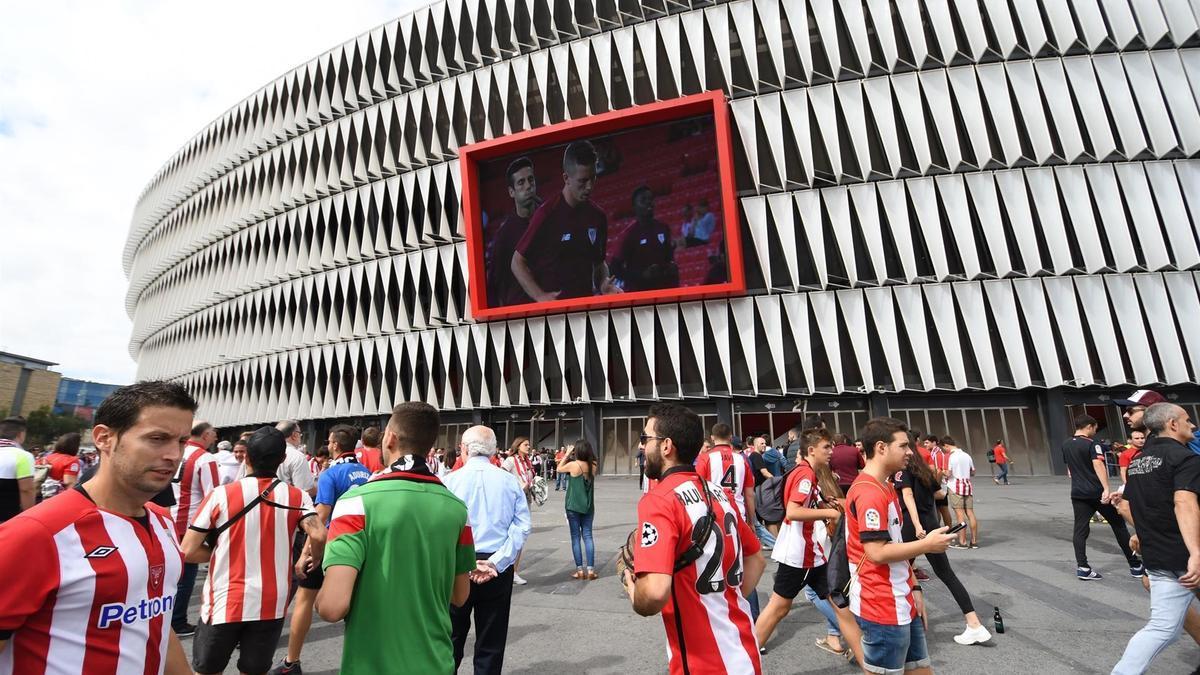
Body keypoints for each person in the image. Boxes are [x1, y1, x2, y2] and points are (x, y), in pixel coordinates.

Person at [0, 381, 196, 674]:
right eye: (157, 438)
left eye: (181, 441)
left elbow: (156, 623)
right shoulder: (37, 533)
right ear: (104, 438)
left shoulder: (163, 522)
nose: (173, 454)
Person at [315, 402, 474, 674]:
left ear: (389, 438)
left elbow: (332, 607)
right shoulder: (457, 509)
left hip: (372, 664)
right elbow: (460, 595)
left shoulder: (355, 503)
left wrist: (316, 598)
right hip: (436, 661)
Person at [623, 402, 765, 674]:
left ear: (666, 446)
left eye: (645, 438)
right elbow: (756, 559)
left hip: (704, 664)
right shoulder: (718, 492)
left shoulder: (659, 500)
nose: (641, 446)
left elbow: (653, 593)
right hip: (744, 651)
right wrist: (719, 600)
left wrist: (632, 590)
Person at [182, 427, 326, 675]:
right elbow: (319, 533)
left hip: (225, 600)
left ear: (246, 457)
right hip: (271, 600)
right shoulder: (297, 496)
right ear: (282, 460)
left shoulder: (220, 495)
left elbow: (187, 550)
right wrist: (311, 559)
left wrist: (220, 552)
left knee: (207, 670)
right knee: (254, 669)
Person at [846, 417, 956, 675]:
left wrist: (914, 586)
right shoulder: (869, 492)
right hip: (881, 605)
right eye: (904, 446)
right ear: (882, 448)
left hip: (900, 597)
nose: (910, 452)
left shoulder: (884, 486)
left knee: (920, 669)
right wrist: (926, 544)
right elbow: (876, 552)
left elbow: (892, 543)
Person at [271, 425, 368, 675]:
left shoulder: (329, 473)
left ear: (334, 445)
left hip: (330, 543)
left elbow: (322, 513)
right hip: (359, 543)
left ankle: (292, 661)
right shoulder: (366, 471)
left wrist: (305, 553)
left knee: (305, 598)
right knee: (355, 605)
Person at [1111, 403, 1200, 674]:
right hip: (1188, 554)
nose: (1193, 425)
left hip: (1158, 555)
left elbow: (1129, 505)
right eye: (1187, 420)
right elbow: (1183, 502)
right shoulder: (1185, 459)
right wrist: (1195, 551)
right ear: (1172, 424)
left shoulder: (1137, 461)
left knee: (1162, 628)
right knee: (1163, 628)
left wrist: (1141, 534)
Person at [444, 426, 532, 674]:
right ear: (494, 450)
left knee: (450, 638)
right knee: (491, 643)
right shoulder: (509, 481)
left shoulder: (448, 481)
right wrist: (498, 561)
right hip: (496, 564)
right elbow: (522, 526)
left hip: (458, 564)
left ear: (463, 448)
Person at [754, 429, 846, 659]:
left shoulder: (806, 472)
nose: (831, 451)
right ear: (811, 450)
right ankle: (744, 656)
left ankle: (864, 651)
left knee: (836, 600)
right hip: (800, 552)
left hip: (808, 552)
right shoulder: (805, 474)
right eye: (826, 447)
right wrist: (830, 513)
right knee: (779, 607)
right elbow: (794, 512)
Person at [895, 445, 991, 646]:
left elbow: (907, 496)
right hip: (932, 524)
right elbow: (940, 494)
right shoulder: (925, 471)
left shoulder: (903, 471)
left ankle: (900, 625)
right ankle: (974, 623)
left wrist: (916, 522)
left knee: (896, 571)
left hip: (913, 527)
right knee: (946, 574)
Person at [511, 140, 621, 302]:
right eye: (583, 181)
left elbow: (599, 264)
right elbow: (517, 262)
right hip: (555, 316)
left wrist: (603, 283)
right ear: (566, 178)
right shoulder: (547, 214)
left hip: (585, 309)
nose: (589, 187)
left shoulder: (598, 216)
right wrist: (540, 296)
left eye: (593, 178)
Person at [1062, 415, 1143, 580]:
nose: (1095, 431)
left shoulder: (1066, 444)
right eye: (1095, 428)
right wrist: (1106, 488)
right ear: (1090, 426)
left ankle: (1083, 567)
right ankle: (1135, 565)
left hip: (1077, 492)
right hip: (1096, 491)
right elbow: (1098, 464)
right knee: (1118, 525)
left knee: (1080, 528)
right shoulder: (1092, 444)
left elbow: (1069, 470)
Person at [171, 420, 221, 637]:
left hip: (168, 517)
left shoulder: (177, 451)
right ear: (205, 434)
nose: (215, 437)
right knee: (187, 574)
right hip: (192, 522)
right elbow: (214, 494)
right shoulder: (205, 458)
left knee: (172, 571)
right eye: (213, 434)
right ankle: (177, 621)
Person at [486, 157, 539, 307]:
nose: (528, 186)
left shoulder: (551, 217)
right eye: (521, 183)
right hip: (523, 314)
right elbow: (493, 287)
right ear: (511, 192)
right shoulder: (504, 236)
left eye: (531, 180)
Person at [612, 186, 678, 292]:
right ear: (634, 207)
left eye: (650, 199)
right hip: (639, 293)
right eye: (643, 200)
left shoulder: (663, 228)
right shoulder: (628, 234)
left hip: (662, 290)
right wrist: (641, 275)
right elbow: (615, 269)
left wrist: (670, 267)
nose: (649, 202)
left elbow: (669, 258)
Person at [558, 440, 598, 579]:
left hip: (573, 507)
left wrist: (567, 454)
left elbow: (559, 468)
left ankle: (580, 570)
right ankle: (591, 570)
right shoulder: (593, 465)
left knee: (575, 538)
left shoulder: (573, 466)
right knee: (588, 536)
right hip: (588, 507)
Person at [500, 436, 536, 585]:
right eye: (525, 444)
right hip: (512, 501)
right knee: (511, 536)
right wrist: (517, 484)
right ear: (518, 445)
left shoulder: (527, 461)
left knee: (520, 536)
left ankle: (514, 571)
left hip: (525, 500)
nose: (528, 447)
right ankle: (507, 570)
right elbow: (501, 476)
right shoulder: (510, 461)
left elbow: (529, 477)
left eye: (528, 444)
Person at [944, 437, 978, 549]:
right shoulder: (966, 455)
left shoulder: (951, 457)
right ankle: (974, 541)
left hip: (955, 486)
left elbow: (949, 473)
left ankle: (962, 541)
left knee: (959, 514)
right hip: (967, 486)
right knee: (970, 513)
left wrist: (944, 473)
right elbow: (973, 472)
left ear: (946, 445)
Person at [0, 416, 34, 523]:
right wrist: (29, 519)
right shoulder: (23, 456)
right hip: (5, 518)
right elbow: (26, 489)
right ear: (21, 434)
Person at [274, 421, 317, 496]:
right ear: (294, 435)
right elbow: (305, 491)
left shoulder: (264, 452)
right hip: (287, 504)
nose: (300, 436)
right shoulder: (297, 456)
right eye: (300, 434)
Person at [38, 432, 82, 497]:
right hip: (57, 497)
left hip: (40, 494)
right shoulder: (71, 460)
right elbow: (69, 483)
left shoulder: (45, 458)